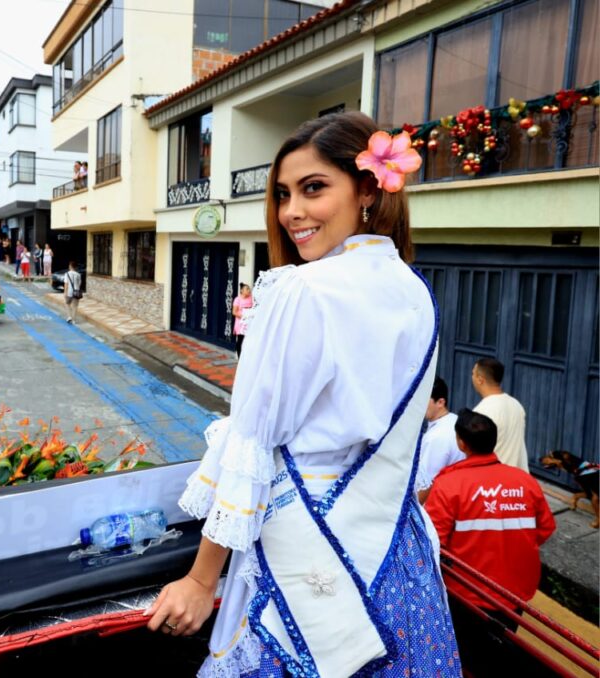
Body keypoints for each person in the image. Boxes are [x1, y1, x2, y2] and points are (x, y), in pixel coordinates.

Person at [144, 112, 460, 677]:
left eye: (314, 188)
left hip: (304, 549)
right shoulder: (415, 291)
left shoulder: (300, 290)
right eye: (284, 193)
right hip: (397, 555)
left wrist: (199, 579)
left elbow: (251, 443)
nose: (292, 211)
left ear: (367, 188)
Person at [425, 409, 555, 648]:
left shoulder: (448, 485)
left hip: (466, 593)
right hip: (515, 593)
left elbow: (432, 543)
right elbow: (545, 528)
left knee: (467, 653)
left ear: (461, 443)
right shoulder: (525, 481)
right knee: (502, 648)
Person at [472, 357, 528, 471]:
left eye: (473, 373)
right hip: (516, 478)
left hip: (493, 481)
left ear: (480, 379)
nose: (471, 377)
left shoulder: (481, 411)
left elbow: (476, 454)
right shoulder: (516, 405)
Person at [416, 377, 465, 502]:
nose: (419, 404)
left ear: (440, 402)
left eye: (425, 399)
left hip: (440, 505)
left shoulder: (436, 436)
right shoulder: (454, 420)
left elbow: (425, 485)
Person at [231, 282, 252, 358]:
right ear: (242, 291)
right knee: (240, 340)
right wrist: (244, 316)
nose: (249, 290)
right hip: (240, 323)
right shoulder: (237, 299)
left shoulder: (251, 298)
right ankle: (239, 357)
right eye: (247, 289)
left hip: (249, 322)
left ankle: (247, 358)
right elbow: (234, 312)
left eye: (249, 289)